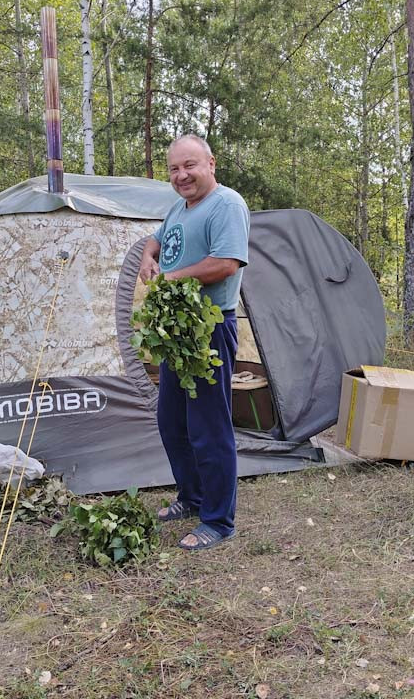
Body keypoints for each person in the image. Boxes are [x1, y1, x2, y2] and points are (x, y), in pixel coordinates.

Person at [139, 134, 250, 551]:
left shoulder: (227, 205)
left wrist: (169, 277)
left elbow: (226, 263)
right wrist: (150, 256)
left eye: (189, 165)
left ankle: (218, 520)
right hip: (178, 330)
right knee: (172, 421)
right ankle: (192, 496)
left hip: (209, 328)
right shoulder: (180, 209)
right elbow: (157, 238)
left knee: (209, 427)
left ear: (211, 163)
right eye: (173, 169)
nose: (181, 175)